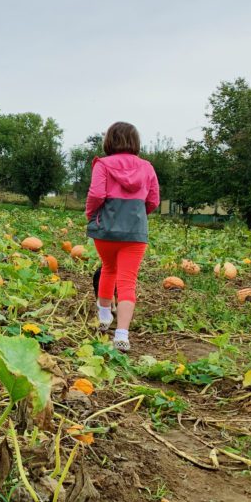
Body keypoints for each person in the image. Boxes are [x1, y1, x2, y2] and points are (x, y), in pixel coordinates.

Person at [85, 122, 159, 352]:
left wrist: (91, 214)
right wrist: (137, 215)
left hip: (106, 230)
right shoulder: (147, 167)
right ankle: (122, 335)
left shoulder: (102, 165)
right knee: (128, 281)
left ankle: (104, 318)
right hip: (135, 232)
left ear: (109, 140)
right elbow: (154, 200)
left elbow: (96, 194)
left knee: (108, 268)